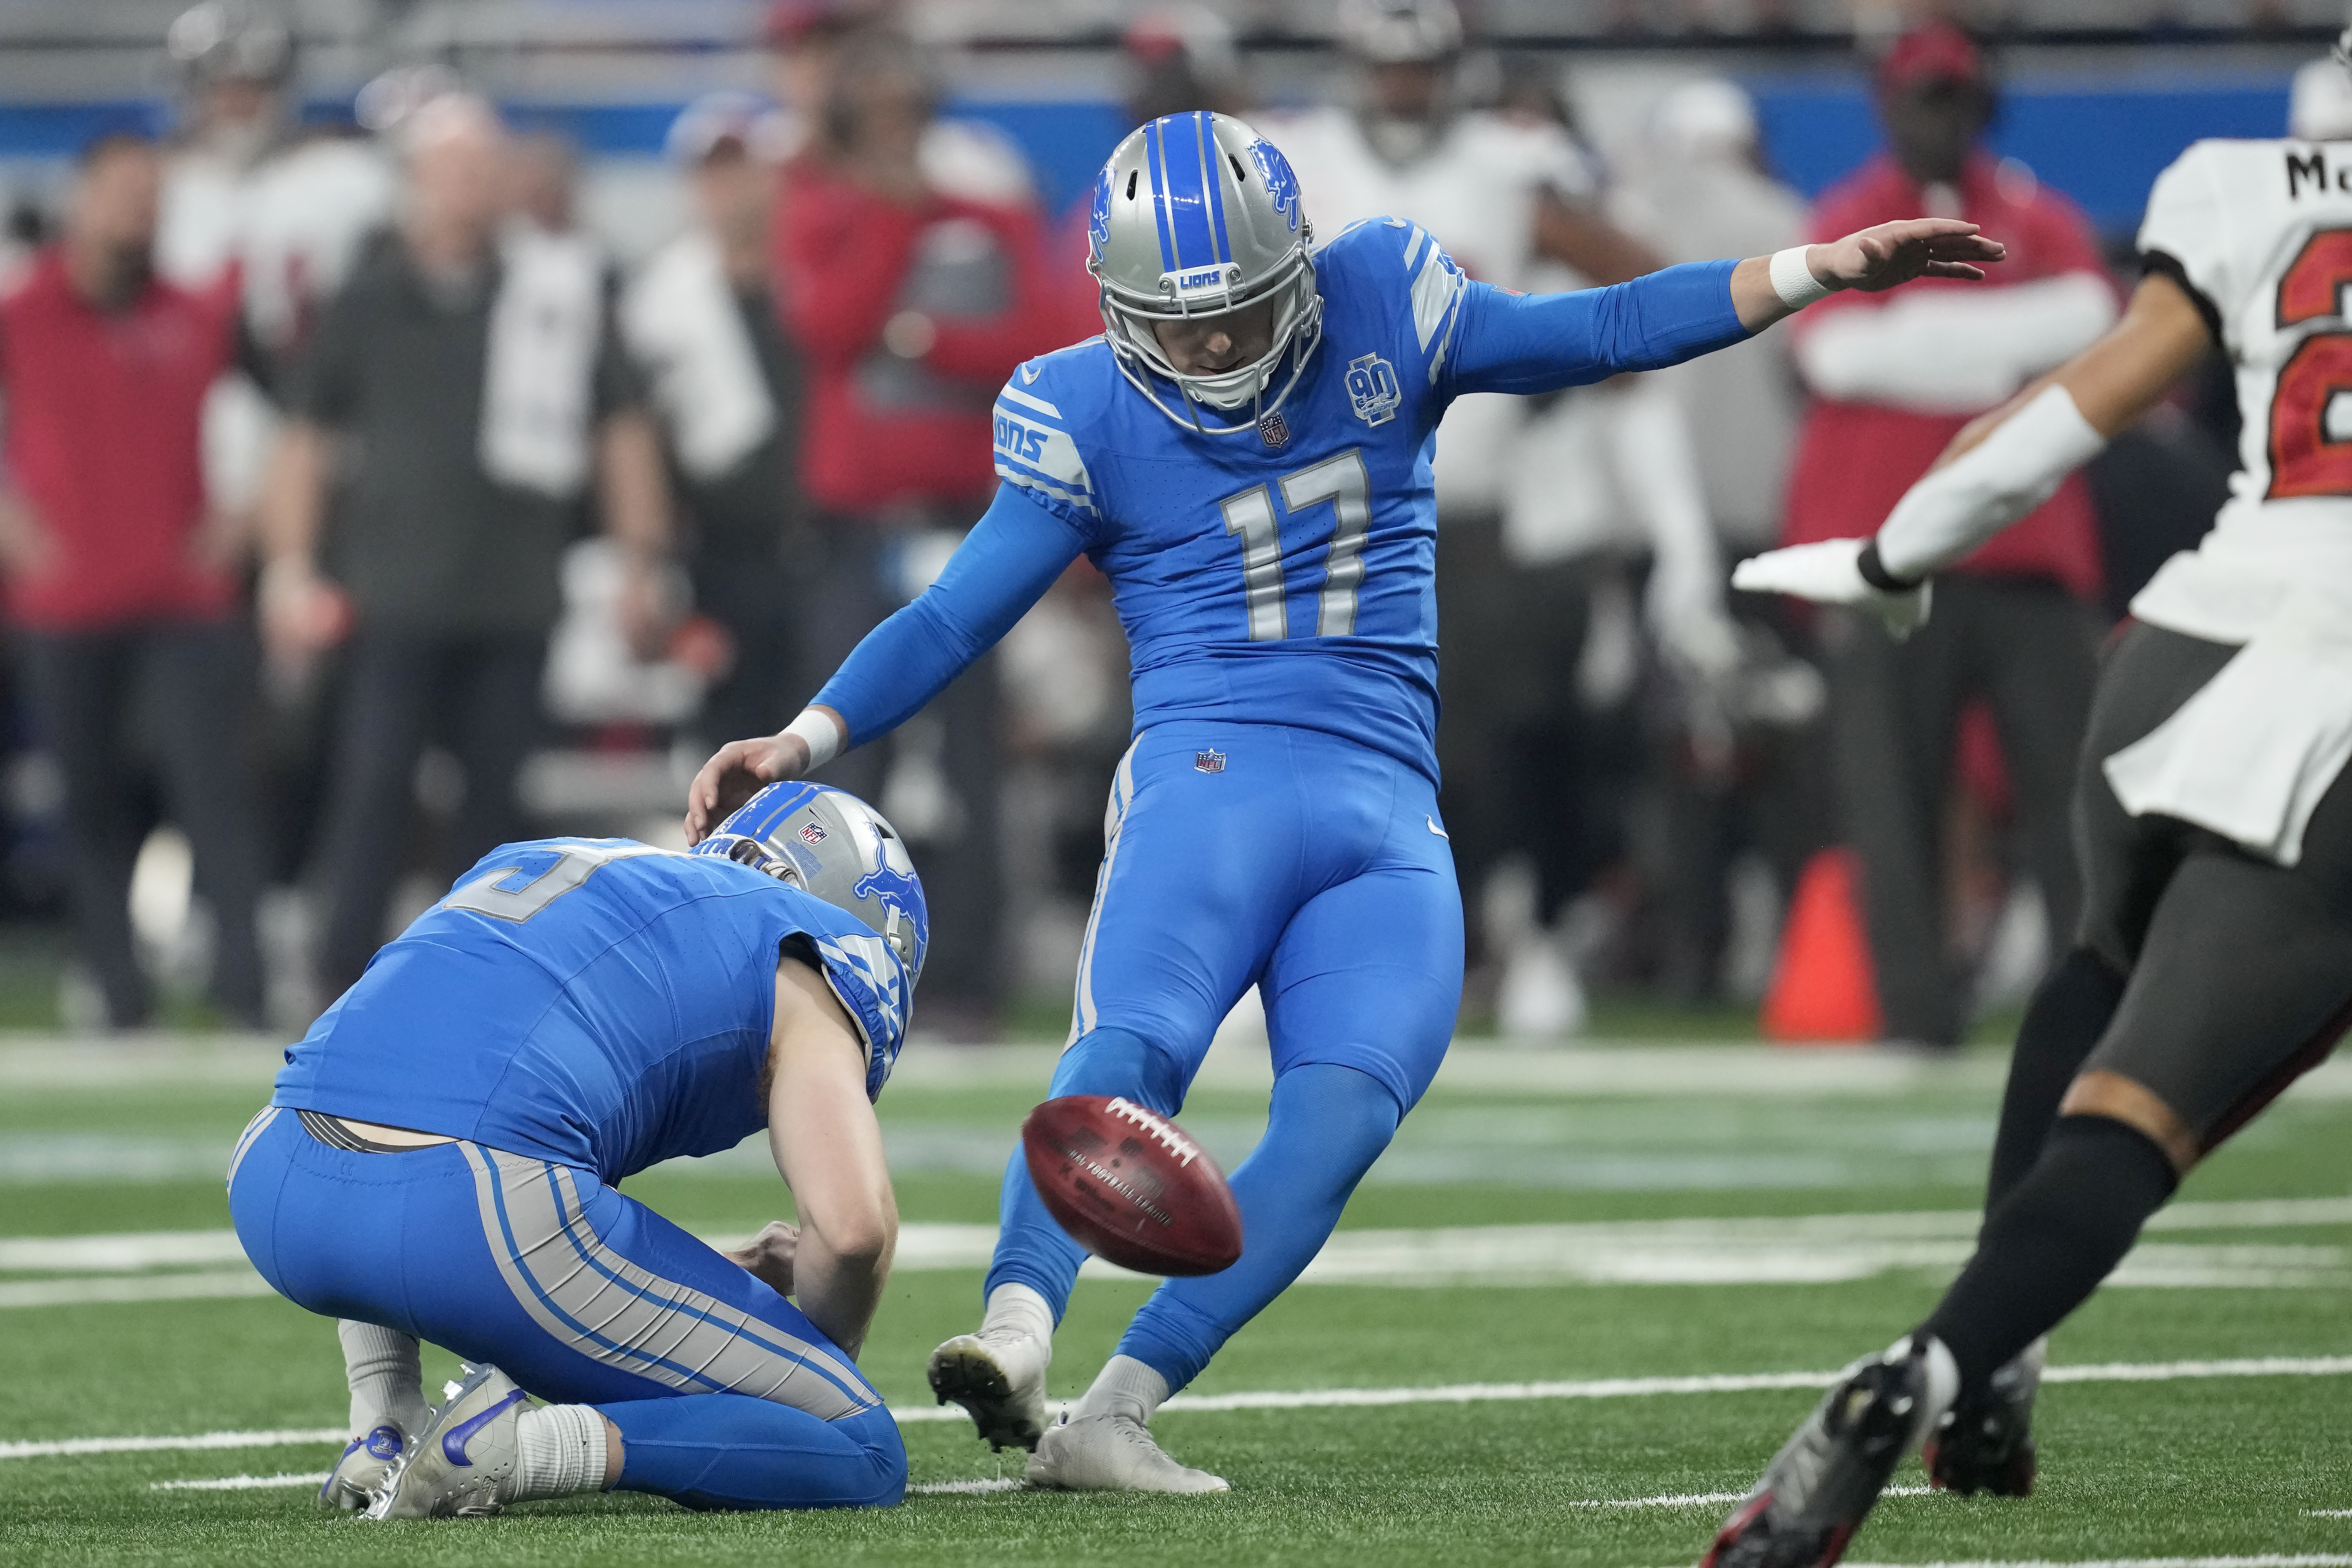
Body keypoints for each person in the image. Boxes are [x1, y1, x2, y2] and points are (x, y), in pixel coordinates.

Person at [684, 110, 2002, 1492]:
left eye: (1239, 312)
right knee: (1133, 1051)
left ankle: (1117, 1410)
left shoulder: (1386, 298)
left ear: (1298, 266)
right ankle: (1015, 1327)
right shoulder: (1080, 405)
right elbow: (957, 613)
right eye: (1177, 325)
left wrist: (1813, 269)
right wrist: (811, 731)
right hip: (1210, 778)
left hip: (1385, 806)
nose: (1209, 350)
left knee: (1343, 1118)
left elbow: (1609, 325)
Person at [1705, 68, 2352, 1568]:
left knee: (2102, 967)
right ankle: (1925, 1367)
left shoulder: (2245, 189)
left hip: (2194, 638)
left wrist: (1894, 554)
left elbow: (2075, 405)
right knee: (2150, 1104)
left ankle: (1994, 1377)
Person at [228, 781, 923, 1518]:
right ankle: (519, 1450)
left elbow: (400, 1061)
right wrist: (809, 1367)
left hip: (274, 1175)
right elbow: (852, 1232)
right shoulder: (809, 946)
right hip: (464, 1211)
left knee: (417, 1102)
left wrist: (727, 1283)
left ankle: (384, 1421)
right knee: (859, 1445)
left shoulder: (560, 863)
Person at [258, 94, 673, 1002]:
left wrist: (643, 561)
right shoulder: (367, 298)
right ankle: (342, 978)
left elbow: (622, 426)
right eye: (452, 170)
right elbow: (305, 440)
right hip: (393, 591)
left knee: (497, 808)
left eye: (484, 170)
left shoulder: (555, 290)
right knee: (371, 791)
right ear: (415, 180)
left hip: (513, 590)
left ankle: (484, 982)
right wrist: (289, 569)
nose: (469, 189)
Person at [1780, 24, 2118, 1048]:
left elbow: (2094, 317)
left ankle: (2092, 1012)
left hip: (2027, 555)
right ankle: (1915, 1016)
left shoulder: (2033, 214)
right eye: (1920, 96)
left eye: (1952, 96)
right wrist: (1997, 350)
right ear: (1886, 104)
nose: (1937, 115)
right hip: (1888, 556)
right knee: (1889, 803)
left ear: (1980, 105)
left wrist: (1915, 338)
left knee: (2072, 802)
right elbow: (1832, 356)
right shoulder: (1845, 214)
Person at [772, 25, 1063, 1033]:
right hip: (855, 524)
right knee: (853, 746)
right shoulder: (821, 211)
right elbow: (827, 328)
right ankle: (840, 967)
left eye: (908, 117)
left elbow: (1035, 338)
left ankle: (969, 977)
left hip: (962, 516)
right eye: (878, 118)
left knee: (975, 752)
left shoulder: (981, 215)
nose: (895, 137)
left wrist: (921, 333)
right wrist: (892, 233)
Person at [0, 131, 269, 1028]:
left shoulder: (198, 312)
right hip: (67, 600)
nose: (137, 210)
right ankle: (115, 987)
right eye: (120, 192)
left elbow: (294, 418)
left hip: (183, 600)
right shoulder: (22, 310)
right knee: (89, 798)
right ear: (82, 199)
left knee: (214, 792)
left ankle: (246, 985)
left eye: (150, 194)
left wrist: (243, 520)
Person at [623, 93, 809, 749]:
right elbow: (635, 436)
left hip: (828, 542)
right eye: (713, 174)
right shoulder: (659, 301)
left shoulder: (816, 280)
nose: (731, 191)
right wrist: (645, 562)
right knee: (733, 735)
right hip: (723, 554)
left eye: (744, 169)